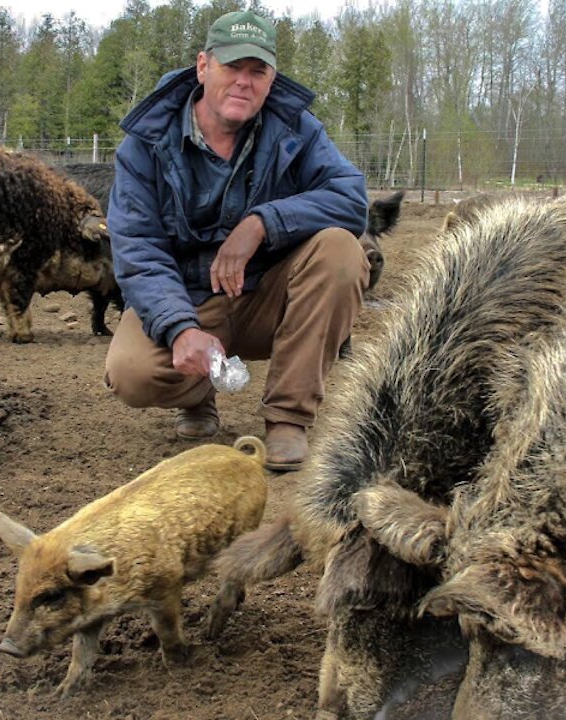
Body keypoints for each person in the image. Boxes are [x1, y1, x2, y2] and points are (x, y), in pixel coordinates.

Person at [103, 10, 369, 472]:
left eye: (258, 71)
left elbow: (351, 200)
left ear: (271, 80)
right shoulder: (145, 144)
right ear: (203, 67)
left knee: (342, 252)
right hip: (188, 297)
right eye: (232, 67)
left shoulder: (297, 130)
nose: (244, 82)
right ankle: (198, 395)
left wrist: (263, 222)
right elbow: (137, 248)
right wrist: (179, 327)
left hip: (266, 294)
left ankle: (288, 417)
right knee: (132, 373)